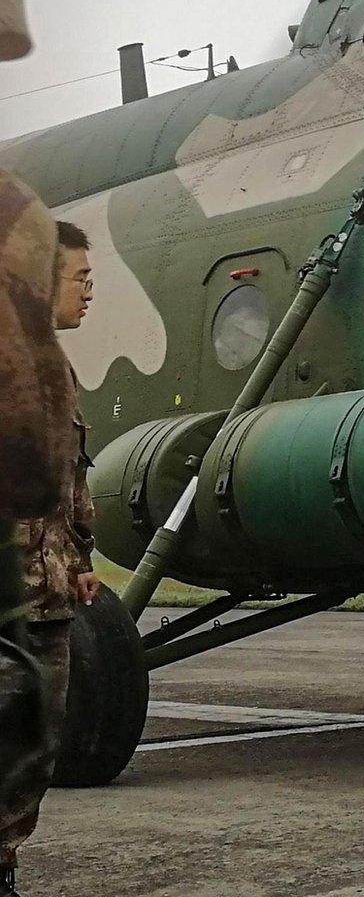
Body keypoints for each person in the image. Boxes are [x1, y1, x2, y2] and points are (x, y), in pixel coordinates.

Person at [0, 222, 97, 896]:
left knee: (35, 753)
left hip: (50, 598)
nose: (90, 293)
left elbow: (68, 481)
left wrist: (79, 558)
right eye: (80, 279)